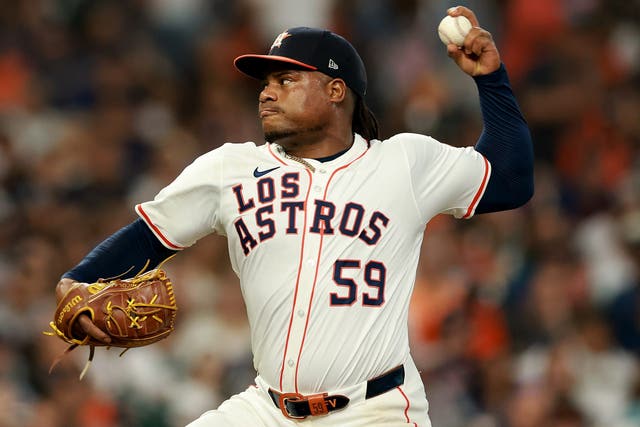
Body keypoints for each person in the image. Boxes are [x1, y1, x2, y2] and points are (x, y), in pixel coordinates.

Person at [55, 6, 533, 426]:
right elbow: (148, 238)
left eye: (286, 81)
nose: (267, 93)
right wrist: (77, 280)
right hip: (267, 410)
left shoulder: (402, 163)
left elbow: (510, 178)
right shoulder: (230, 169)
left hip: (374, 410)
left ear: (336, 90)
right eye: (266, 83)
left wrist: (490, 79)